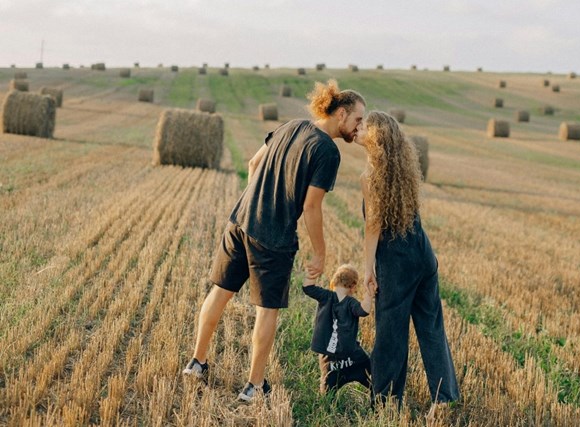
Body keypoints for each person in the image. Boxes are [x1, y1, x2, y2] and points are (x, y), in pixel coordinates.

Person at [182, 80, 366, 402]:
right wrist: (320, 254)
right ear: (340, 114)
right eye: (357, 120)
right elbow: (311, 206)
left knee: (220, 292)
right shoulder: (327, 151)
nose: (359, 127)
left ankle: (196, 363)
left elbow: (253, 164)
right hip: (274, 238)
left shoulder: (291, 125)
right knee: (266, 311)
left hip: (240, 220)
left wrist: (258, 202)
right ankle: (254, 386)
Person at [356, 111, 459, 406]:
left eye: (364, 126)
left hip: (397, 262)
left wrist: (368, 269)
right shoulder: (403, 170)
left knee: (390, 332)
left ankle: (386, 400)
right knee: (432, 329)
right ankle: (446, 398)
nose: (358, 128)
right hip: (423, 255)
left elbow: (372, 226)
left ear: (376, 136)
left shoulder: (371, 176)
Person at [302, 264, 375, 395]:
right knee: (373, 378)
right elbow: (364, 310)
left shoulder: (325, 296)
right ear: (353, 287)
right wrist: (369, 293)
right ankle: (380, 397)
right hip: (353, 356)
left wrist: (311, 272)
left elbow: (308, 288)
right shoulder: (351, 303)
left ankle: (326, 403)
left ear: (333, 282)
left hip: (329, 359)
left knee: (327, 392)